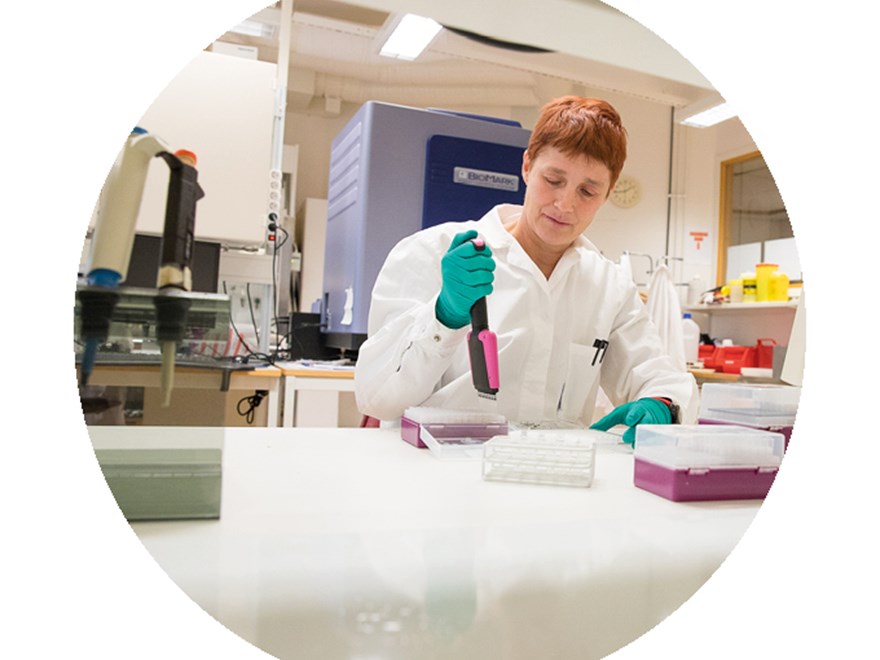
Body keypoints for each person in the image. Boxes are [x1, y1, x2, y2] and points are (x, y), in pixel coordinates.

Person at [354, 96, 697, 443]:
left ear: (607, 194)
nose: (565, 204)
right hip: (437, 477)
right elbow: (376, 398)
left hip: (548, 479)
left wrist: (663, 405)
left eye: (588, 191)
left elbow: (658, 376)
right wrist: (443, 316)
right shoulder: (428, 252)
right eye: (553, 179)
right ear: (528, 166)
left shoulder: (609, 287)